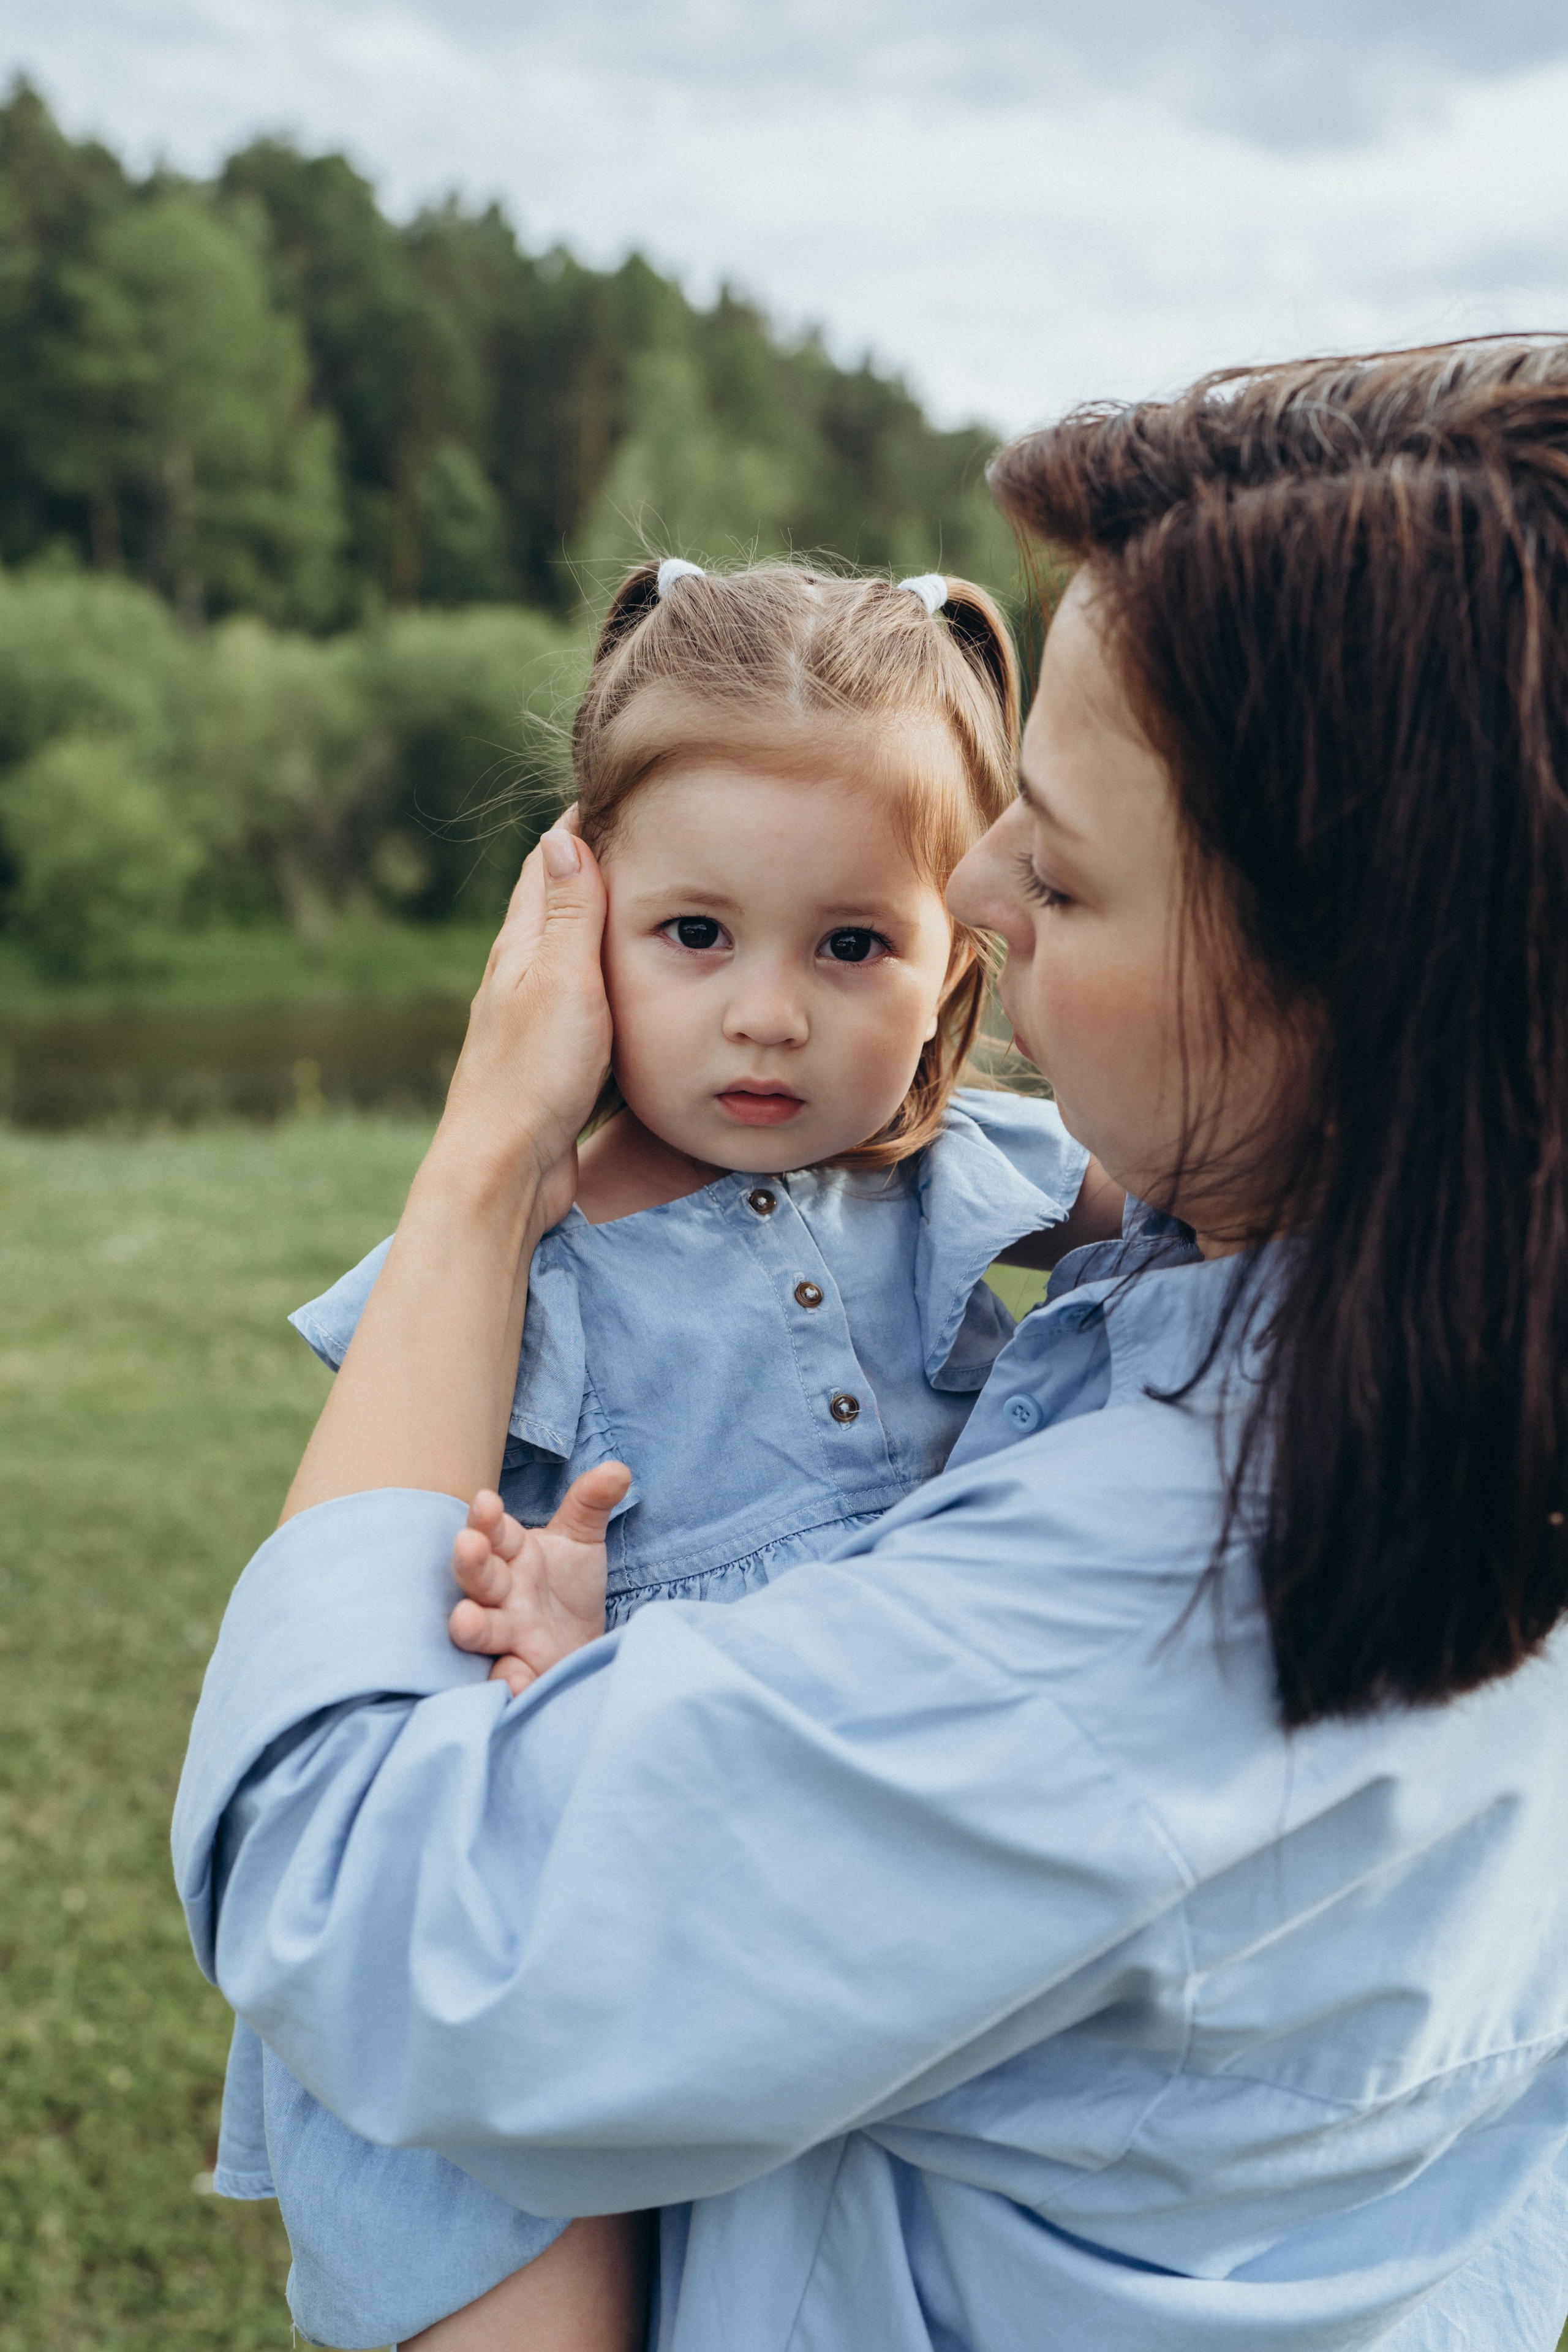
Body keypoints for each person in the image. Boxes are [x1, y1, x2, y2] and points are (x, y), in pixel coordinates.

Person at [176, 339, 1568, 2352]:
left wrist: (482, 1161)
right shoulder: (1399, 1307)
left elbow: (363, 1912)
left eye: (1063, 870)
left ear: (1344, 991)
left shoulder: (1138, 1615)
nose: (975, 894)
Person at [206, 556, 1115, 2351]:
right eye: (695, 935)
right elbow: (367, 1586)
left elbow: (1252, 1206)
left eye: (851, 944)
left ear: (952, 967)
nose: (767, 1014)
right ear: (582, 923)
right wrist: (551, 1655)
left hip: (843, 1856)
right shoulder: (532, 1260)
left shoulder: (962, 1180)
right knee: (524, 2264)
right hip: (549, 1866)